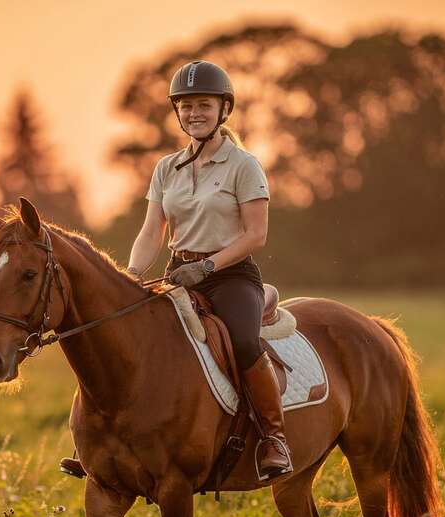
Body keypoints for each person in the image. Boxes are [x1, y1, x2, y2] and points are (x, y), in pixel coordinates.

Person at [60, 59, 292, 482]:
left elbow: (255, 235)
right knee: (125, 342)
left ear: (225, 109)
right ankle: (98, 444)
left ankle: (273, 437)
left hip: (230, 276)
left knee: (242, 340)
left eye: (203, 104)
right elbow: (152, 231)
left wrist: (207, 266)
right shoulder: (166, 168)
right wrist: (129, 276)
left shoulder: (244, 166)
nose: (194, 113)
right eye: (185, 106)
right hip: (177, 272)